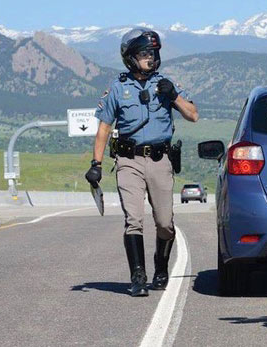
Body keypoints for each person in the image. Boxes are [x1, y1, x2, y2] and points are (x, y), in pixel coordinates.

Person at [85, 28, 198, 297]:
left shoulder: (166, 84)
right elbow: (103, 128)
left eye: (153, 53)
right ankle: (138, 276)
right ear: (131, 58)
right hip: (128, 160)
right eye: (145, 54)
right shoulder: (118, 87)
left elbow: (193, 115)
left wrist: (174, 96)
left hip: (160, 160)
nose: (151, 58)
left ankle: (161, 266)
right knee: (133, 219)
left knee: (164, 222)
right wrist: (96, 164)